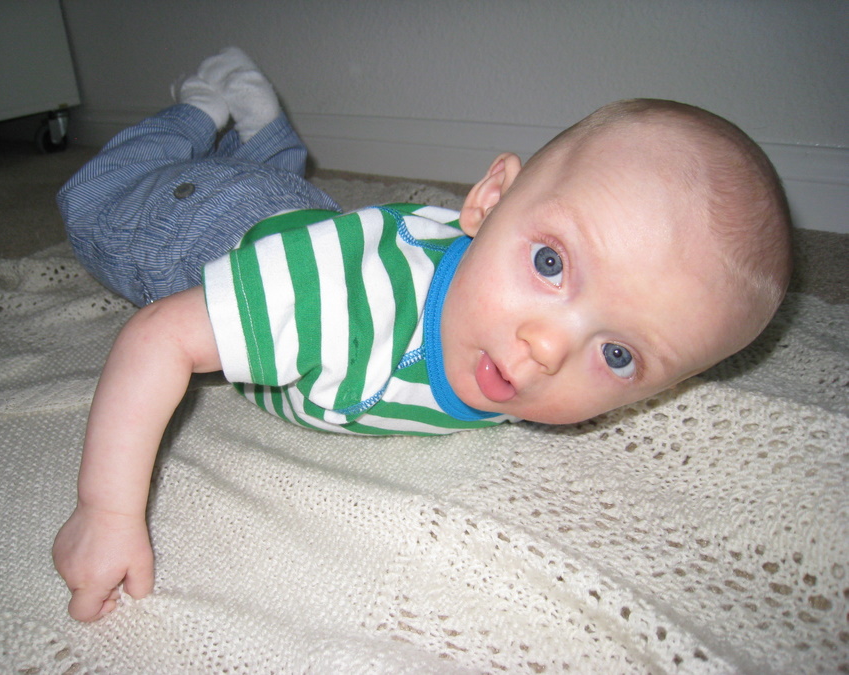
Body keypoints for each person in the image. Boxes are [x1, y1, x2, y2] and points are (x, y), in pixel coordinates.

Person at [53, 48, 793, 621]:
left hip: (303, 216)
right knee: (93, 203)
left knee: (288, 197)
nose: (548, 348)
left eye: (618, 353)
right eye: (550, 264)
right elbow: (158, 337)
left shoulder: (504, 338)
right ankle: (200, 107)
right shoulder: (338, 300)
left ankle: (266, 133)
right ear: (489, 200)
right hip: (202, 232)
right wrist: (106, 510)